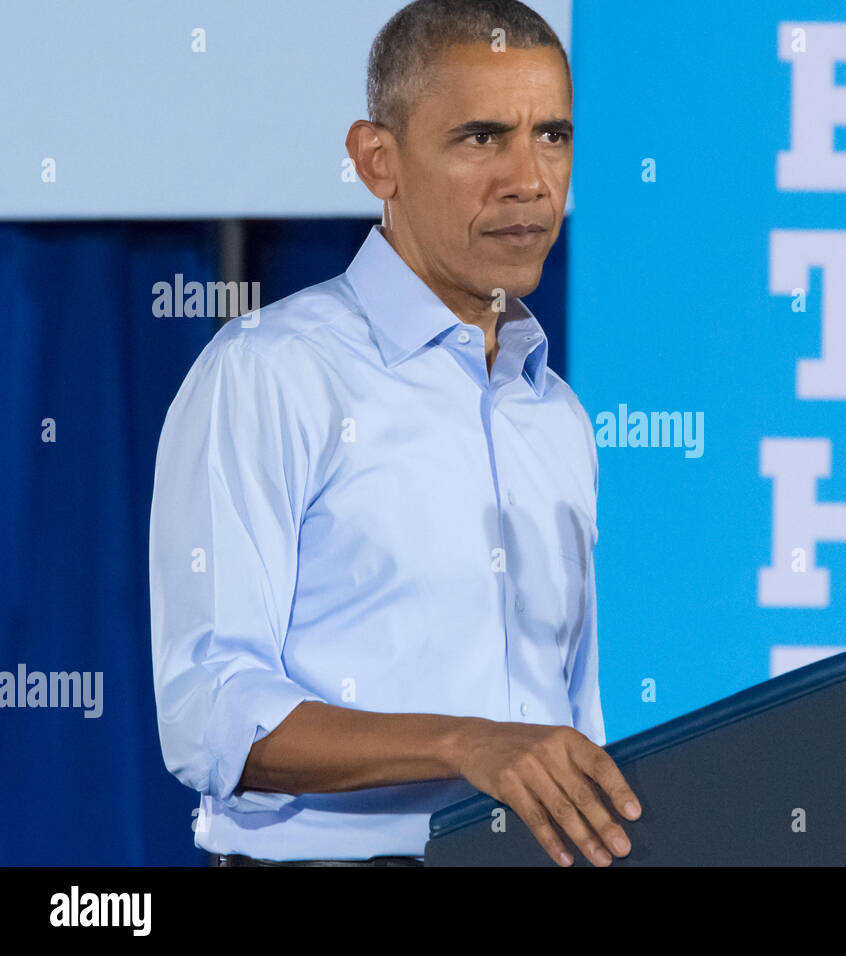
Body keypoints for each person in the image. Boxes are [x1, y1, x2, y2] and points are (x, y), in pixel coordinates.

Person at [148, 0, 639, 867]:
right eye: (482, 138)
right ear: (378, 160)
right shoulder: (272, 370)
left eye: (553, 136)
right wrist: (464, 744)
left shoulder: (553, 411)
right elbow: (210, 713)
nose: (530, 180)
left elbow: (566, 726)